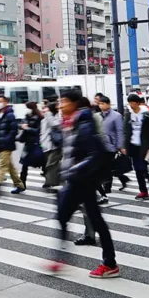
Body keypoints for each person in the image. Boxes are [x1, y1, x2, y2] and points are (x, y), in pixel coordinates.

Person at [49, 90, 119, 278]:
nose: (60, 105)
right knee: (66, 217)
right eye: (59, 101)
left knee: (90, 220)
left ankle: (109, 263)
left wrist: (74, 170)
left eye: (63, 101)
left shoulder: (84, 125)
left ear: (74, 103)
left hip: (83, 181)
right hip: (77, 180)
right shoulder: (69, 124)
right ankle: (61, 258)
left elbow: (95, 155)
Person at [0, 94, 26, 196]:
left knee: (2, 166)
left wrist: (5, 140)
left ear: (5, 103)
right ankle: (19, 185)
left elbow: (13, 131)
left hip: (6, 145)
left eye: (0, 101)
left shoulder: (10, 115)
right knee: (10, 167)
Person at [123, 94, 149, 199]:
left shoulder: (146, 114)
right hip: (133, 145)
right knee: (138, 169)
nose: (131, 104)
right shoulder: (128, 114)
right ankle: (143, 191)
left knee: (144, 168)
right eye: (130, 102)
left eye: (133, 102)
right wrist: (124, 145)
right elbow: (125, 131)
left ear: (138, 103)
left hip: (144, 146)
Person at [98, 96, 125, 200]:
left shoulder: (116, 116)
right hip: (101, 145)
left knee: (108, 167)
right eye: (100, 104)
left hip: (111, 145)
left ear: (108, 104)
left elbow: (119, 131)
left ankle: (107, 186)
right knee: (103, 166)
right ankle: (107, 184)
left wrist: (119, 145)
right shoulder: (99, 115)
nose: (101, 106)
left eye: (103, 103)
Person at [18, 101, 44, 191]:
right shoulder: (27, 116)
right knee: (24, 164)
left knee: (41, 162)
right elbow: (21, 125)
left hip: (36, 143)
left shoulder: (39, 118)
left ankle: (50, 179)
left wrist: (27, 128)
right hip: (28, 143)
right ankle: (22, 185)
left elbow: (38, 131)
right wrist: (22, 126)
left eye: (27, 107)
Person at [40, 102, 62, 191]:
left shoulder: (57, 118)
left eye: (46, 108)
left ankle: (51, 182)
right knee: (50, 165)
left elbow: (54, 124)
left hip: (55, 145)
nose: (44, 110)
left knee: (51, 165)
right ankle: (51, 181)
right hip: (46, 145)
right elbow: (42, 133)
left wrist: (48, 114)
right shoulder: (44, 120)